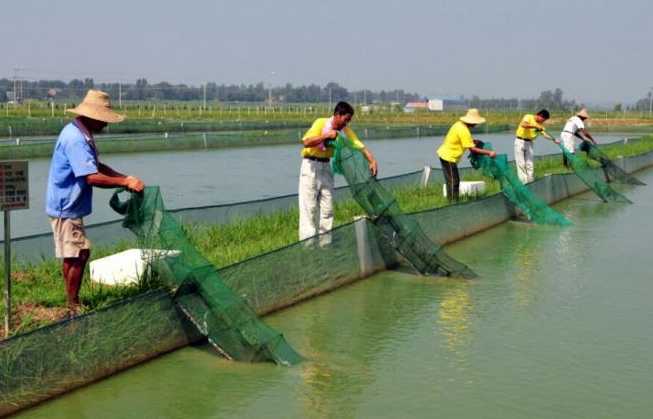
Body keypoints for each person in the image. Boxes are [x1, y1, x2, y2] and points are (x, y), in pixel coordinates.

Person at [45, 89, 144, 315]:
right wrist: (126, 182)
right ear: (91, 116)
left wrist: (124, 179)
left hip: (69, 204)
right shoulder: (75, 139)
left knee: (75, 254)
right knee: (79, 254)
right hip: (65, 206)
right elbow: (90, 177)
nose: (105, 125)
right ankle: (73, 305)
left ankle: (72, 302)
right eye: (103, 120)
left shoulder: (82, 134)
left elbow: (97, 166)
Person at [299, 101, 378, 242]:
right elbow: (306, 142)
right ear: (337, 115)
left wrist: (372, 160)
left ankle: (325, 244)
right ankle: (308, 245)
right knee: (309, 209)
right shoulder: (321, 123)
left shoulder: (345, 131)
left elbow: (359, 145)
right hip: (311, 165)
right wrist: (326, 136)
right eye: (345, 119)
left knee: (327, 209)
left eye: (348, 121)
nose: (346, 124)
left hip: (326, 167)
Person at [437, 109, 497, 201]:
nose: (476, 125)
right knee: (454, 181)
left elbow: (463, 140)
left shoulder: (459, 124)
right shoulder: (464, 130)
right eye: (475, 123)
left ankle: (451, 201)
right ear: (472, 122)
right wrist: (489, 153)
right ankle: (453, 203)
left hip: (445, 155)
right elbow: (472, 149)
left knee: (451, 181)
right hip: (448, 157)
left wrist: (473, 141)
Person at [514, 109, 554, 184]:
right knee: (521, 164)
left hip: (530, 143)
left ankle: (531, 181)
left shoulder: (540, 125)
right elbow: (523, 125)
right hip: (520, 141)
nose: (543, 122)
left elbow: (545, 135)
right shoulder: (528, 117)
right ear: (540, 116)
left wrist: (553, 139)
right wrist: (535, 126)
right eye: (543, 119)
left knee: (530, 163)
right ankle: (524, 182)